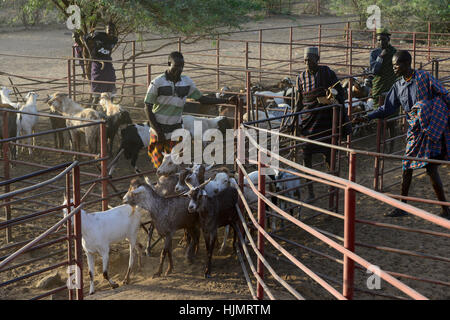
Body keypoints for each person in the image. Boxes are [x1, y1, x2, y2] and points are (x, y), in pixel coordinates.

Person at [355, 50, 450, 218]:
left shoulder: (424, 78)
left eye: (396, 65)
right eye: (392, 65)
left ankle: (441, 209)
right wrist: (367, 117)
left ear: (407, 64)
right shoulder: (398, 86)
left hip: (429, 128)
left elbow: (444, 94)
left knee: (430, 168)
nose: (394, 68)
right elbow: (387, 108)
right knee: (408, 167)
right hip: (414, 130)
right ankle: (405, 207)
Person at [144, 51, 235, 169]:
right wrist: (158, 131)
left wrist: (226, 101)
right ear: (168, 63)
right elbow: (147, 107)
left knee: (176, 163)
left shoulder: (186, 82)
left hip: (176, 129)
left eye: (181, 66)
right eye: (176, 66)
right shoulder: (157, 83)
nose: (179, 69)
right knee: (159, 165)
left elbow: (202, 99)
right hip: (158, 130)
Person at [292, 47, 351, 200]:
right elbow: (299, 101)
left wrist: (334, 97)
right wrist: (293, 119)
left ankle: (332, 188)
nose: (307, 63)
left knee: (328, 154)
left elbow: (339, 91)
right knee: (306, 156)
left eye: (310, 60)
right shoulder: (300, 78)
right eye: (305, 60)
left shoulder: (327, 73)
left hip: (325, 120)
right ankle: (310, 191)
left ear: (317, 59)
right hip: (308, 121)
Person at [369, 28, 398, 153]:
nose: (381, 42)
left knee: (392, 120)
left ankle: (391, 147)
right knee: (379, 120)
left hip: (392, 88)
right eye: (379, 40)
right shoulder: (375, 53)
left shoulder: (394, 52)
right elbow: (374, 71)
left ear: (388, 40)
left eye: (383, 39)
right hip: (378, 88)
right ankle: (380, 147)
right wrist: (381, 57)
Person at [84, 22, 118, 107]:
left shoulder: (114, 40)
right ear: (106, 30)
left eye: (113, 30)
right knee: (96, 94)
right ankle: (93, 112)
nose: (111, 32)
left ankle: (110, 110)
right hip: (97, 65)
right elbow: (85, 38)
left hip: (107, 65)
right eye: (109, 30)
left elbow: (109, 45)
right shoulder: (98, 36)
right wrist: (92, 35)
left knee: (111, 89)